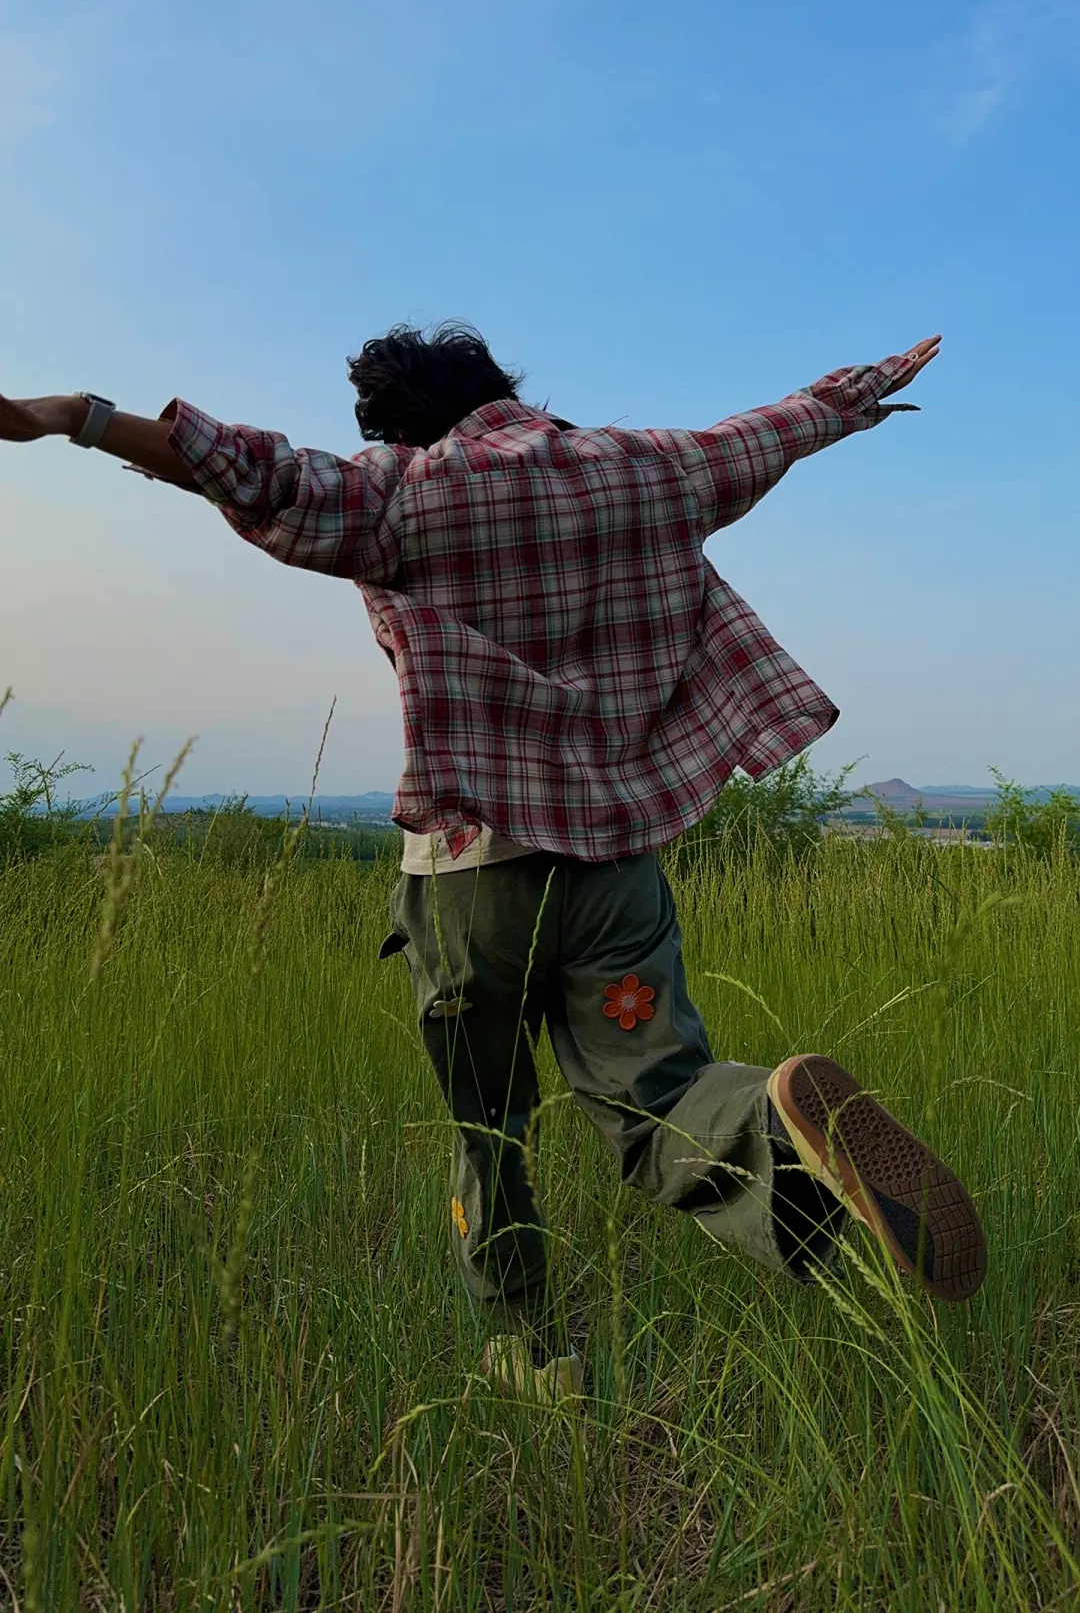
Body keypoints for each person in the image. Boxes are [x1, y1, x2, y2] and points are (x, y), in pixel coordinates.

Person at [0, 326, 986, 1401]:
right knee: (658, 1095)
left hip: (471, 880)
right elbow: (770, 432)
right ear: (499, 388)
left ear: (398, 428)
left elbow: (253, 470)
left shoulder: (401, 494)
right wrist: (860, 390)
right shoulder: (646, 466)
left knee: (489, 1126)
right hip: (613, 872)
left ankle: (531, 1350)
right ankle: (777, 1130)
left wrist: (78, 417)